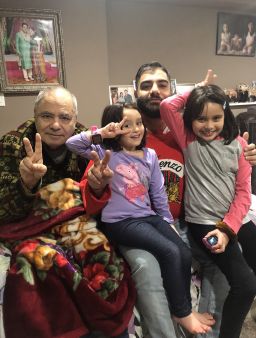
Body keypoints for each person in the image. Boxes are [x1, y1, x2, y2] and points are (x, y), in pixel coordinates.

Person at [83, 62, 256, 338]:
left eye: (162, 84)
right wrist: (96, 185)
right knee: (147, 268)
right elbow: (92, 192)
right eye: (146, 85)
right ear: (135, 91)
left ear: (172, 90)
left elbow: (227, 158)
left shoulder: (185, 134)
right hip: (138, 225)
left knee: (225, 268)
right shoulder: (121, 136)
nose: (154, 90)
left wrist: (244, 152)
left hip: (189, 222)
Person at [66, 103, 216, 335]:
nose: (136, 129)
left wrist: (167, 222)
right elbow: (72, 143)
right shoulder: (108, 154)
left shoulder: (150, 155)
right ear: (115, 127)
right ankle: (183, 313)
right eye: (127, 125)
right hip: (120, 222)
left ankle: (182, 309)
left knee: (183, 251)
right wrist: (102, 133)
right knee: (169, 251)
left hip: (149, 216)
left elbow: (158, 193)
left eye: (139, 123)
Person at [0, 86, 135, 338]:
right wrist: (26, 184)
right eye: (46, 116)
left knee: (101, 262)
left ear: (75, 119)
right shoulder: (13, 143)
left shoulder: (89, 140)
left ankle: (105, 323)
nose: (55, 125)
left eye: (64, 117)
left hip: (76, 222)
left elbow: (97, 200)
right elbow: (3, 211)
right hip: (29, 226)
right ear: (34, 116)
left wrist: (96, 187)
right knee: (37, 260)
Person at [160, 84, 256, 338]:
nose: (209, 125)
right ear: (191, 118)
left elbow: (244, 193)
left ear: (226, 115)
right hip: (204, 223)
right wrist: (200, 88)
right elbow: (166, 106)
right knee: (245, 285)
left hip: (235, 220)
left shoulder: (238, 145)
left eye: (216, 117)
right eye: (201, 118)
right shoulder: (187, 138)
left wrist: (229, 227)